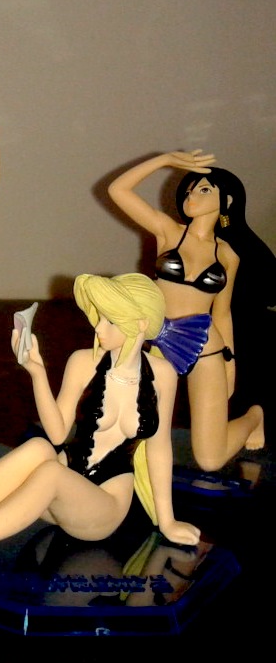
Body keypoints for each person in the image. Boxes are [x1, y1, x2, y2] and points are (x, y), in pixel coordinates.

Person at [0, 273, 199, 580]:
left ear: (141, 324)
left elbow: (159, 449)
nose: (99, 328)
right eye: (99, 317)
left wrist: (167, 521)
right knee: (38, 447)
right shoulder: (82, 361)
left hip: (100, 508)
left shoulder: (162, 374)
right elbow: (57, 434)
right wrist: (37, 373)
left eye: (110, 320)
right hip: (53, 496)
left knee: (51, 472)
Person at [107, 151, 267, 471]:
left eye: (204, 189)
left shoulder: (228, 255)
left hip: (205, 346)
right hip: (157, 340)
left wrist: (230, 364)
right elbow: (117, 190)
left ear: (227, 201)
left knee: (210, 459)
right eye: (190, 189)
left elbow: (222, 313)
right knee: (130, 437)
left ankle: (253, 417)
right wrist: (164, 160)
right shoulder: (168, 230)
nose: (192, 195)